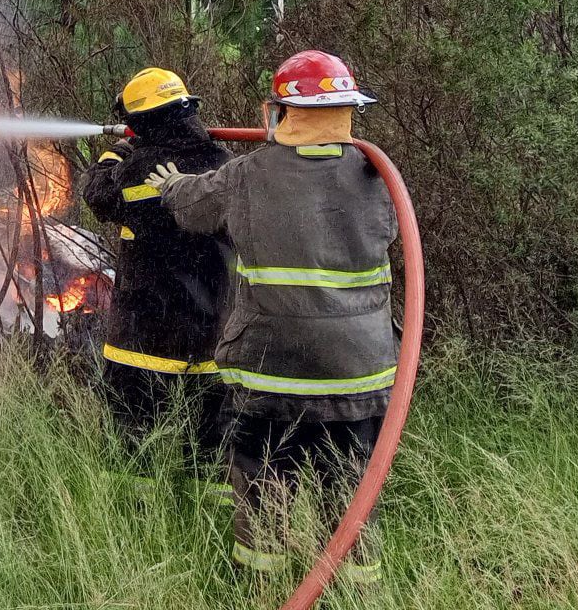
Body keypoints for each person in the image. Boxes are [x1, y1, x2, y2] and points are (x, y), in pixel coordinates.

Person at [144, 50, 395, 584]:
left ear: (279, 111)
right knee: (352, 489)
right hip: (358, 374)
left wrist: (169, 186)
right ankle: (359, 588)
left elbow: (194, 207)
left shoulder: (248, 175)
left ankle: (262, 584)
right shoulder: (378, 176)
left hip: (271, 373)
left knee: (262, 487)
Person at [80, 68, 232, 487]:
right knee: (210, 449)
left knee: (133, 443)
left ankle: (135, 515)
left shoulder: (140, 168)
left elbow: (98, 195)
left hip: (145, 333)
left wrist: (114, 154)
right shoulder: (223, 161)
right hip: (211, 331)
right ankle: (212, 526)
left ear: (142, 123)